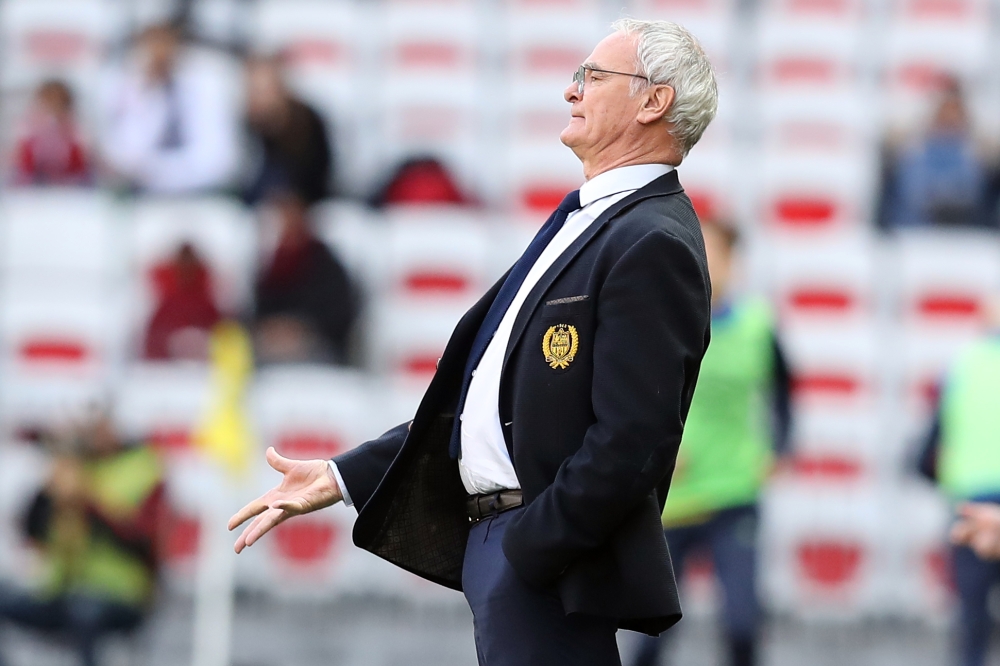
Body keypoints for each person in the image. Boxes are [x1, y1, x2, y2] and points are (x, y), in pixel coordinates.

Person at [230, 19, 717, 666]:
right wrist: (344, 474)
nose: (571, 90)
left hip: (541, 559)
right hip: (507, 549)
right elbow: (489, 398)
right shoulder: (592, 219)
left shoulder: (651, 240)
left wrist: (531, 547)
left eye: (593, 76)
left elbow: (633, 440)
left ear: (653, 101)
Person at [631, 218, 792, 666]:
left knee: (742, 625)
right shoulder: (660, 321)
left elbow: (784, 393)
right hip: (673, 496)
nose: (706, 262)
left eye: (717, 253)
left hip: (734, 489)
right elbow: (629, 400)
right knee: (652, 631)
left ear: (734, 262)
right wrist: (655, 451)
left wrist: (779, 449)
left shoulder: (758, 325)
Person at [0, 410, 165, 666]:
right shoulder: (72, 467)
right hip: (63, 587)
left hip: (121, 592)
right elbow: (32, 531)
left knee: (84, 612)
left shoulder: (142, 470)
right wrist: (47, 493)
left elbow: (142, 542)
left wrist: (87, 501)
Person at [917, 330, 1000, 666]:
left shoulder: (962, 363)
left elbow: (933, 438)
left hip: (970, 500)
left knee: (971, 612)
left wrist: (930, 473)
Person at [100, 22, 239, 194]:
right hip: (144, 196)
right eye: (152, 42)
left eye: (164, 40)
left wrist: (155, 172)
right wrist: (149, 94)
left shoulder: (208, 82)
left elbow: (218, 161)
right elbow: (123, 156)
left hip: (202, 194)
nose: (159, 51)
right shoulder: (129, 83)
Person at [253, 191, 357, 364]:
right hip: (273, 348)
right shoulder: (273, 266)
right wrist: (274, 328)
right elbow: (259, 311)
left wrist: (300, 329)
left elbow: (338, 315)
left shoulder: (324, 263)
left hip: (318, 346)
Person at [878, 79, 991, 230]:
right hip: (915, 230)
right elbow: (913, 192)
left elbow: (974, 193)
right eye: (946, 111)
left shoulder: (974, 155)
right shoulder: (915, 152)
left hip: (964, 231)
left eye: (955, 112)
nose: (950, 118)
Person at [242, 54, 333, 206]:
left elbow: (314, 182)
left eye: (262, 90)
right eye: (253, 90)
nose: (257, 97)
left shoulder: (305, 125)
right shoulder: (247, 127)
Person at [143, 242, 221, 360]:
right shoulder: (166, 309)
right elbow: (153, 350)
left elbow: (222, 341)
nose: (186, 269)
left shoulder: (207, 308)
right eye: (182, 264)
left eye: (190, 264)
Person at [11, 79, 91, 186]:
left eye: (57, 106)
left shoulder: (74, 133)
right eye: (48, 106)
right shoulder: (30, 133)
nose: (52, 113)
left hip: (69, 186)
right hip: (35, 187)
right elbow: (23, 167)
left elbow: (80, 168)